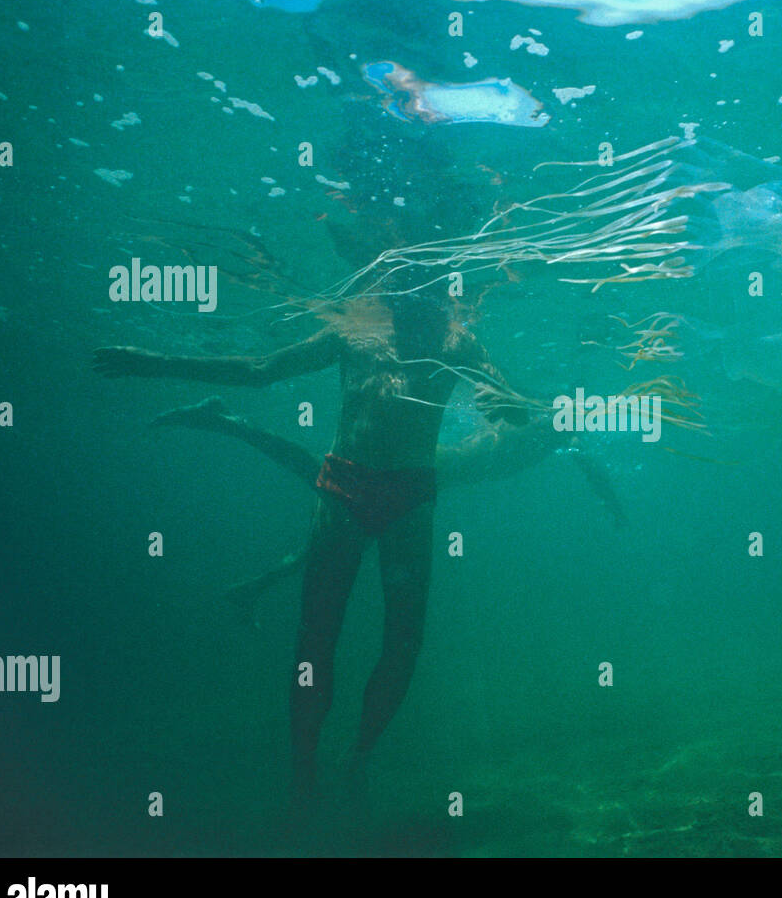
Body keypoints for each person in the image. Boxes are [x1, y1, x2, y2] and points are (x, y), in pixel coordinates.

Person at [94, 297, 528, 809]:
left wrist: (507, 405)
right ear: (395, 290)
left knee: (397, 639)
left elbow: (516, 407)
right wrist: (156, 362)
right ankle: (304, 769)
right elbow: (262, 369)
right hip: (349, 486)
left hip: (405, 494)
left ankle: (357, 756)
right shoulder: (356, 330)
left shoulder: (459, 341)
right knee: (319, 637)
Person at [146, 395, 629, 626]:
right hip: (410, 472)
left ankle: (254, 588)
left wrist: (613, 506)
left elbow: (592, 470)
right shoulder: (534, 417)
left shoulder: (560, 437)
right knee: (322, 481)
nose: (575, 429)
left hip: (417, 483)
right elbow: (485, 401)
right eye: (575, 419)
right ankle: (228, 420)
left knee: (343, 529)